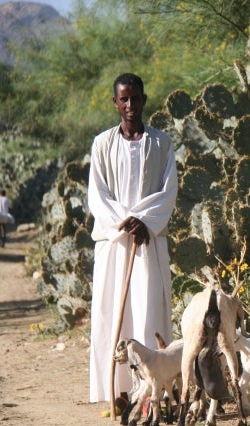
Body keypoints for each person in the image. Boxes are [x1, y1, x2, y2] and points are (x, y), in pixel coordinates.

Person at [87, 73, 178, 404]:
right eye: (123, 99)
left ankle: (152, 392)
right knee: (115, 313)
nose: (129, 105)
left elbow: (168, 192)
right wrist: (125, 223)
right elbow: (97, 195)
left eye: (135, 98)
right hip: (115, 243)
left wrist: (145, 222)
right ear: (115, 102)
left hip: (148, 243)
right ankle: (119, 390)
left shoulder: (161, 144)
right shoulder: (102, 144)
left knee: (148, 308)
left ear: (143, 99)